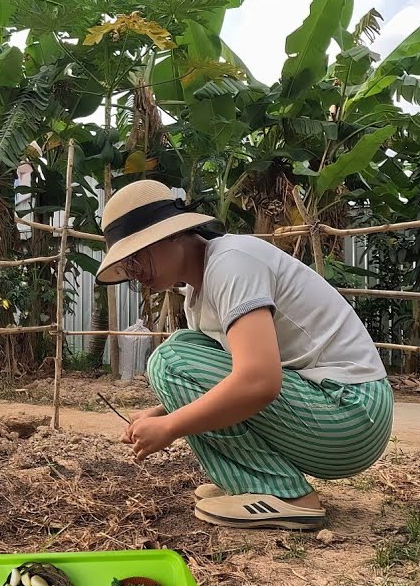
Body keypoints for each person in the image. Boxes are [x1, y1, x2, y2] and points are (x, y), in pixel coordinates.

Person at [100, 181, 392, 530]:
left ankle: (285, 494)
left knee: (169, 360)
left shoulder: (231, 263)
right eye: (127, 266)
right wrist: (164, 409)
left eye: (136, 256)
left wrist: (170, 426)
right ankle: (254, 482)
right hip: (332, 410)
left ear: (172, 235)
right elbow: (232, 377)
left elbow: (259, 381)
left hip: (352, 414)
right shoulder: (200, 293)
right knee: (181, 353)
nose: (134, 272)